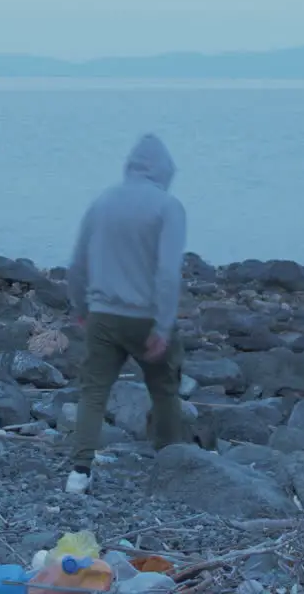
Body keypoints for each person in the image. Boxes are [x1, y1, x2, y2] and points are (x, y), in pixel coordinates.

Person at [64, 133, 188, 495]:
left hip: (103, 315)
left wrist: (82, 308)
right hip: (147, 317)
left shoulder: (102, 202)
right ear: (165, 170)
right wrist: (163, 326)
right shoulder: (168, 206)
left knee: (93, 393)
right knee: (164, 388)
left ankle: (79, 473)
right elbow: (167, 273)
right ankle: (170, 464)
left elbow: (76, 264)